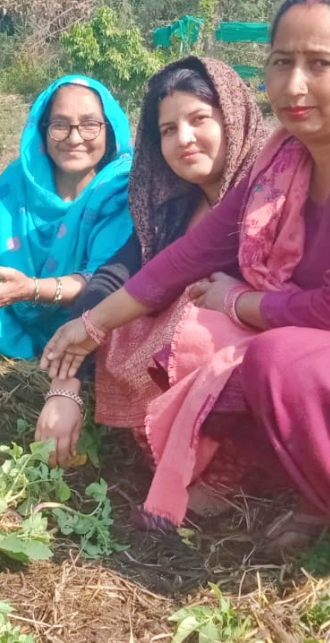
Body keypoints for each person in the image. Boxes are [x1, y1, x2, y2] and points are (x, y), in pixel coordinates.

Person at [42, 0, 330, 592]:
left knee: (274, 357)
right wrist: (89, 327)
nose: (294, 85)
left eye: (320, 63)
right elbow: (183, 258)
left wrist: (240, 301)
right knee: (226, 348)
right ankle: (323, 492)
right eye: (281, 63)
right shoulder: (283, 156)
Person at [35, 57, 269, 479]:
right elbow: (114, 278)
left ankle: (230, 472)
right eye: (167, 130)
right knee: (118, 317)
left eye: (199, 119)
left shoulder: (268, 197)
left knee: (190, 322)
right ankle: (165, 452)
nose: (184, 139)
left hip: (267, 365)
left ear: (232, 118)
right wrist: (66, 385)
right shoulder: (173, 209)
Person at [0, 75, 134, 359]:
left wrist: (29, 289)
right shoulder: (17, 180)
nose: (74, 137)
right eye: (60, 125)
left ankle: (56, 356)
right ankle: (33, 354)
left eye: (90, 124)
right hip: (12, 313)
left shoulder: (119, 189)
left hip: (84, 317)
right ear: (42, 130)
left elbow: (104, 280)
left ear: (110, 129)